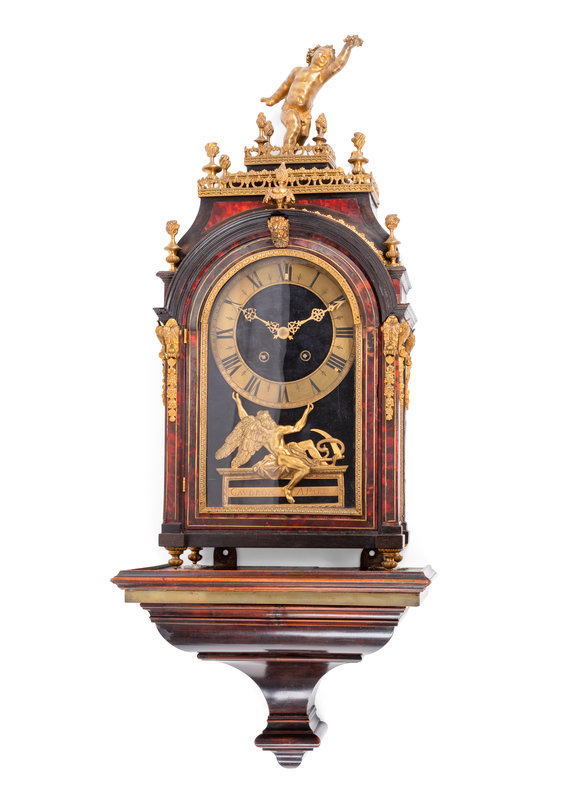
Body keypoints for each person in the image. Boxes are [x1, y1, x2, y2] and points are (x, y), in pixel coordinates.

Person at [261, 35, 363, 152]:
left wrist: (347, 47)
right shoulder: (297, 70)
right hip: (289, 108)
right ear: (312, 54)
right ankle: (286, 155)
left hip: (305, 113)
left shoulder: (321, 75)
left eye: (328, 57)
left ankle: (293, 157)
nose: (324, 56)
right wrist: (272, 100)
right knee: (294, 126)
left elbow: (338, 65)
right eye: (322, 53)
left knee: (303, 135)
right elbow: (284, 87)